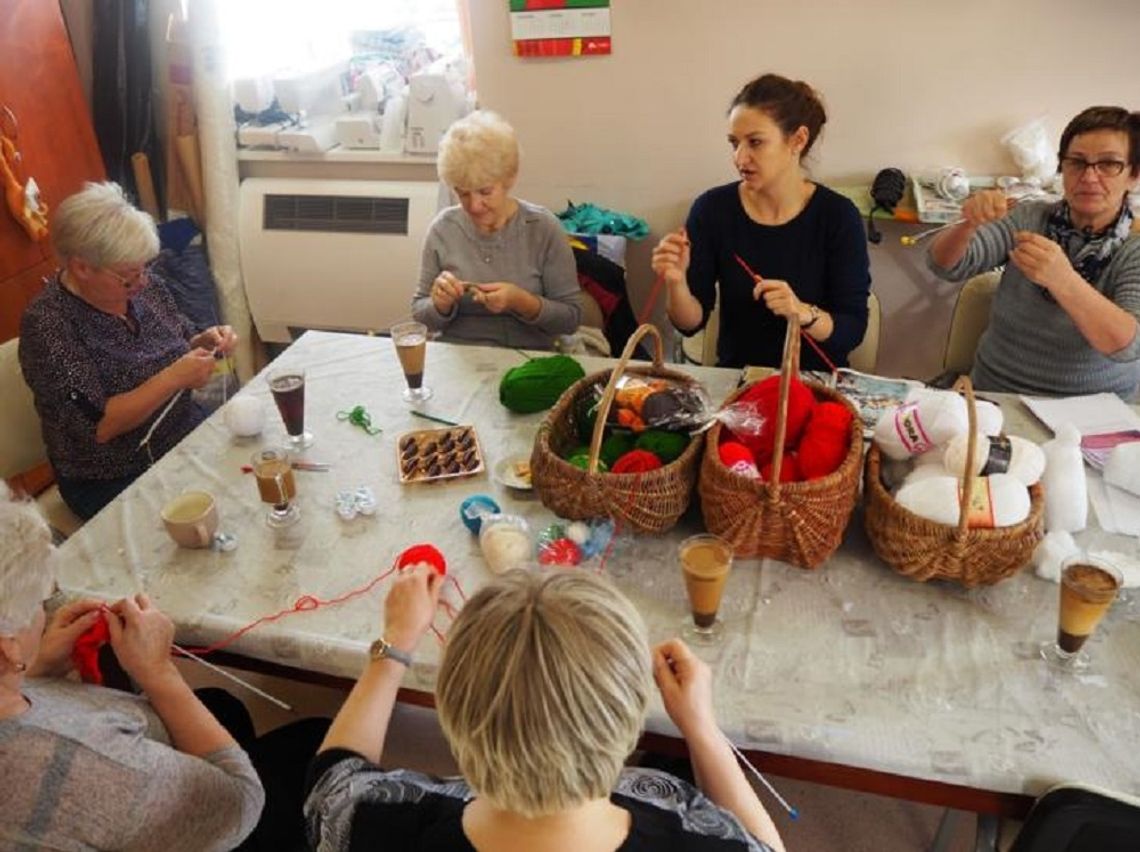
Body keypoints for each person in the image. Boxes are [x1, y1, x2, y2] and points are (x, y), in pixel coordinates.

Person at [305, 566, 785, 852]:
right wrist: (701, 729)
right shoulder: (694, 834)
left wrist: (396, 643)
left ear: (451, 715)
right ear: (632, 714)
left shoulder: (385, 825)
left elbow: (331, 782)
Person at [0, 483, 263, 850]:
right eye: (37, 605)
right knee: (312, 738)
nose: (42, 616)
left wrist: (35, 671)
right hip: (226, 820)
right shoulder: (87, 768)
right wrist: (159, 673)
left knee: (223, 706)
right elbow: (241, 802)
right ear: (6, 646)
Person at [19, 181, 238, 520]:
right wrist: (174, 378)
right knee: (197, 532)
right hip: (113, 472)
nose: (143, 282)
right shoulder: (50, 328)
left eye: (144, 268)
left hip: (181, 431)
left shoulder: (145, 290)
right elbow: (101, 427)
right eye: (128, 275)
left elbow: (177, 344)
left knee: (251, 478)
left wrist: (204, 342)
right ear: (81, 268)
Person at [652, 72, 870, 371]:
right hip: (738, 382)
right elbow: (690, 323)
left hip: (812, 385)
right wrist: (676, 283)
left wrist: (803, 313)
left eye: (755, 142)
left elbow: (852, 329)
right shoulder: (713, 209)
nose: (740, 159)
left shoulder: (838, 216)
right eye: (734, 143)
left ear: (798, 140)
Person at [928, 106, 1140, 397]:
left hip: (1094, 411)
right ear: (1061, 167)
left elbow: (1127, 346)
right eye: (1077, 162)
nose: (1090, 177)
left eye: (1108, 164)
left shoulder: (1134, 245)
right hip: (997, 392)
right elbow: (945, 265)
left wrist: (1064, 280)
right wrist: (968, 224)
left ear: (1133, 174)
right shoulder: (1030, 218)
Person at [411, 110, 582, 349]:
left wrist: (521, 302)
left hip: (528, 355)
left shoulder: (543, 228)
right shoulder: (443, 229)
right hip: (457, 355)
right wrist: (440, 304)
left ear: (509, 178)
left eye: (485, 191)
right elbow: (419, 313)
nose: (474, 205)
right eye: (462, 193)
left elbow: (571, 319)